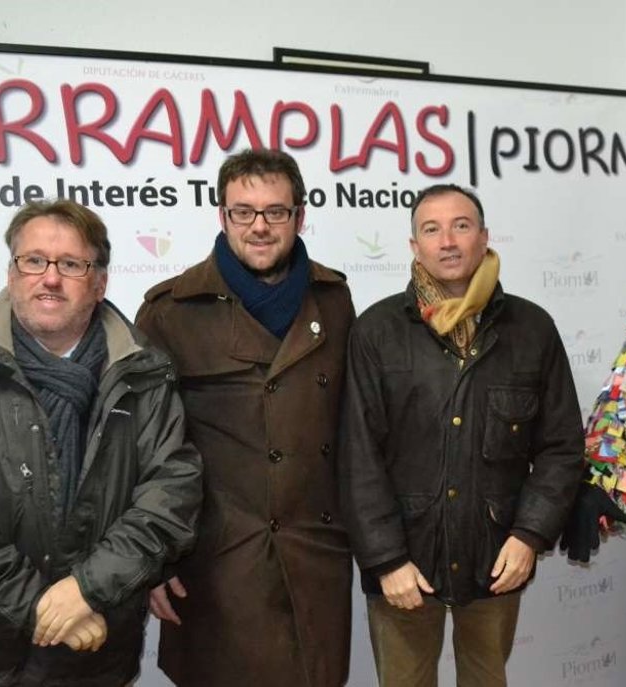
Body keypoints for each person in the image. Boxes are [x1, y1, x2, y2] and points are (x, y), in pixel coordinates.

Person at [0, 199, 203, 687]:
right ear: (12, 273)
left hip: (99, 656)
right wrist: (38, 607)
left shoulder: (144, 375)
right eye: (33, 260)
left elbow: (169, 499)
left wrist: (87, 590)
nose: (50, 278)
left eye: (71, 264)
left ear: (99, 283)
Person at [338, 183, 584, 686]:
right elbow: (357, 455)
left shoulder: (532, 329)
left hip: (496, 557)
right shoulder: (376, 331)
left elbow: (561, 446)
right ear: (415, 246)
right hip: (405, 564)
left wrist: (529, 536)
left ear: (485, 237)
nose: (447, 241)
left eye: (461, 226)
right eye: (432, 229)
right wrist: (386, 559)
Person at [137, 148, 354, 687]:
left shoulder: (335, 301)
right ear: (222, 215)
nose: (260, 226)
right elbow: (140, 449)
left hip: (316, 559)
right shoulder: (170, 311)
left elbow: (356, 435)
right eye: (243, 212)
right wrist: (152, 558)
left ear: (299, 216)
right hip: (215, 566)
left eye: (275, 211)